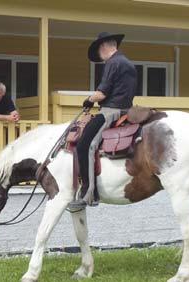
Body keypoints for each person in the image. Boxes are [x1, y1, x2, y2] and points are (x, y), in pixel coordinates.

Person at [67, 32, 137, 211]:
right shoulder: (128, 63)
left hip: (110, 112)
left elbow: (102, 93)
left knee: (84, 145)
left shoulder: (113, 63)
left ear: (104, 46)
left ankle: (89, 192)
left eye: (99, 50)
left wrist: (89, 100)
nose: (100, 56)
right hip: (127, 110)